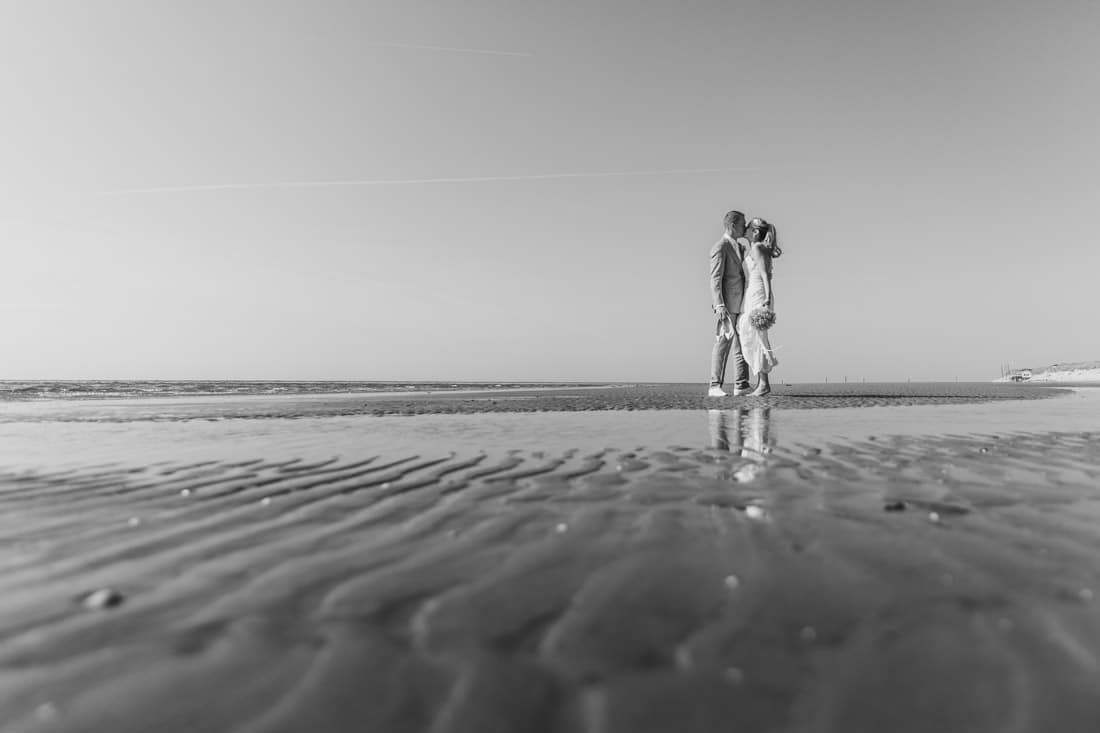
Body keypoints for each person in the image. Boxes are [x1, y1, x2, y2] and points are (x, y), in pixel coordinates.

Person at [708, 210, 751, 397]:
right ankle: (714, 385)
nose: (745, 226)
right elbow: (715, 278)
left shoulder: (740, 247)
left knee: (742, 343)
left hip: (743, 302)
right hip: (728, 303)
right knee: (723, 343)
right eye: (743, 224)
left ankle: (741, 384)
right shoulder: (720, 247)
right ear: (733, 225)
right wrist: (719, 305)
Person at [737, 218, 781, 396]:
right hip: (752, 292)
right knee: (751, 334)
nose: (745, 228)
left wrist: (767, 298)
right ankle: (762, 382)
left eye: (748, 227)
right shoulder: (754, 248)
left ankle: (763, 383)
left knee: (757, 336)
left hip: (759, 293)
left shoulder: (757, 248)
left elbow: (765, 274)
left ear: (754, 232)